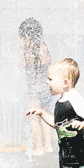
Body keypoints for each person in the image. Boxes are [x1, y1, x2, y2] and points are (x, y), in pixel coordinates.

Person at [18, 18, 54, 156]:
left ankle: (38, 148)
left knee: (33, 119)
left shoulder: (27, 51)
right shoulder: (43, 47)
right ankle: (48, 146)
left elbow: (21, 66)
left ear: (25, 36)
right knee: (44, 117)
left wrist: (22, 49)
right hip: (46, 89)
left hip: (34, 91)